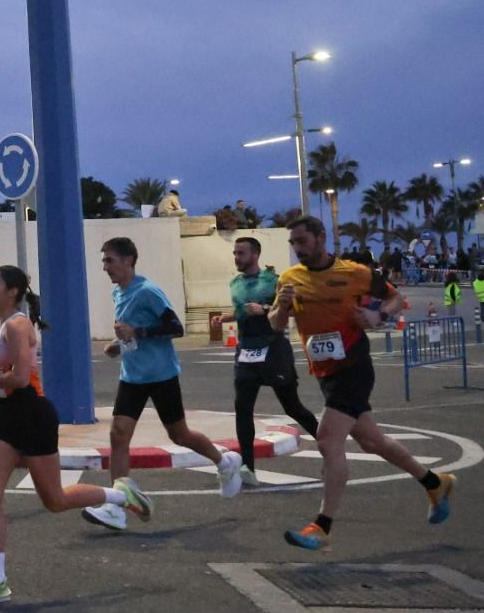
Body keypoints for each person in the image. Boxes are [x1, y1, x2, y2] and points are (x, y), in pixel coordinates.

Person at [0, 266, 148, 604]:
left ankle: (121, 496)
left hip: (31, 414)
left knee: (55, 500)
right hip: (6, 416)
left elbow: (19, 380)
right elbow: (10, 374)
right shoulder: (1, 325)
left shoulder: (18, 324)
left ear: (14, 291)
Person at [270, 216, 456, 551]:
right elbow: (276, 324)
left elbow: (396, 299)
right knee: (373, 442)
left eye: (302, 241)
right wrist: (281, 308)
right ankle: (434, 482)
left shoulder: (354, 273)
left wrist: (377, 316)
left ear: (320, 238)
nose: (297, 248)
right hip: (326, 373)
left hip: (354, 366)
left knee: (328, 440)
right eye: (293, 243)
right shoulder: (289, 278)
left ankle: (322, 527)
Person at [84, 237, 242, 531]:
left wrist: (137, 331)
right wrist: (119, 345)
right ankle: (116, 506)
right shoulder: (118, 293)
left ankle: (224, 462)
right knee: (119, 435)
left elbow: (175, 327)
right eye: (104, 261)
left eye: (110, 260)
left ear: (129, 260)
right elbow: (130, 335)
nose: (105, 267)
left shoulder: (147, 291)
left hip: (160, 375)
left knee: (179, 435)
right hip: (132, 376)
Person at [221, 237, 319, 488]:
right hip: (246, 351)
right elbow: (242, 310)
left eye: (241, 253)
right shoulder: (234, 284)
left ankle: (329, 446)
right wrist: (227, 317)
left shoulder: (273, 282)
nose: (236, 257)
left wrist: (264, 310)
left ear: (255, 255)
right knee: (243, 409)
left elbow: (290, 311)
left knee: (292, 407)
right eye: (235, 253)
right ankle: (248, 468)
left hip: (273, 349)